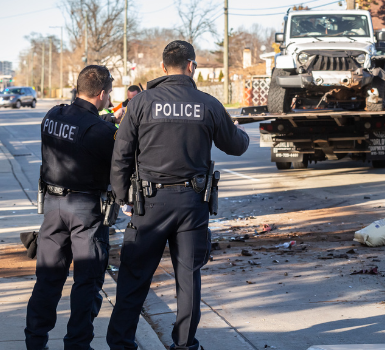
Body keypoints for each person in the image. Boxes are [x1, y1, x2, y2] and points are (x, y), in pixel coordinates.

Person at [107, 40, 251, 350]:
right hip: (191, 203)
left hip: (149, 204)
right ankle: (185, 345)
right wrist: (238, 130)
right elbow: (236, 145)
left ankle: (120, 343)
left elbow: (120, 155)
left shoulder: (141, 103)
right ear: (191, 66)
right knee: (188, 279)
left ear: (162, 68)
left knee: (134, 279)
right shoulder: (208, 104)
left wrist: (123, 198)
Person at [25, 65, 119, 350]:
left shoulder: (52, 114)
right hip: (85, 211)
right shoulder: (102, 130)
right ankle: (77, 345)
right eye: (109, 94)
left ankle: (35, 342)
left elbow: (76, 134)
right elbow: (119, 161)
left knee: (47, 280)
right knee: (86, 282)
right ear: (102, 94)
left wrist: (106, 121)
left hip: (53, 208)